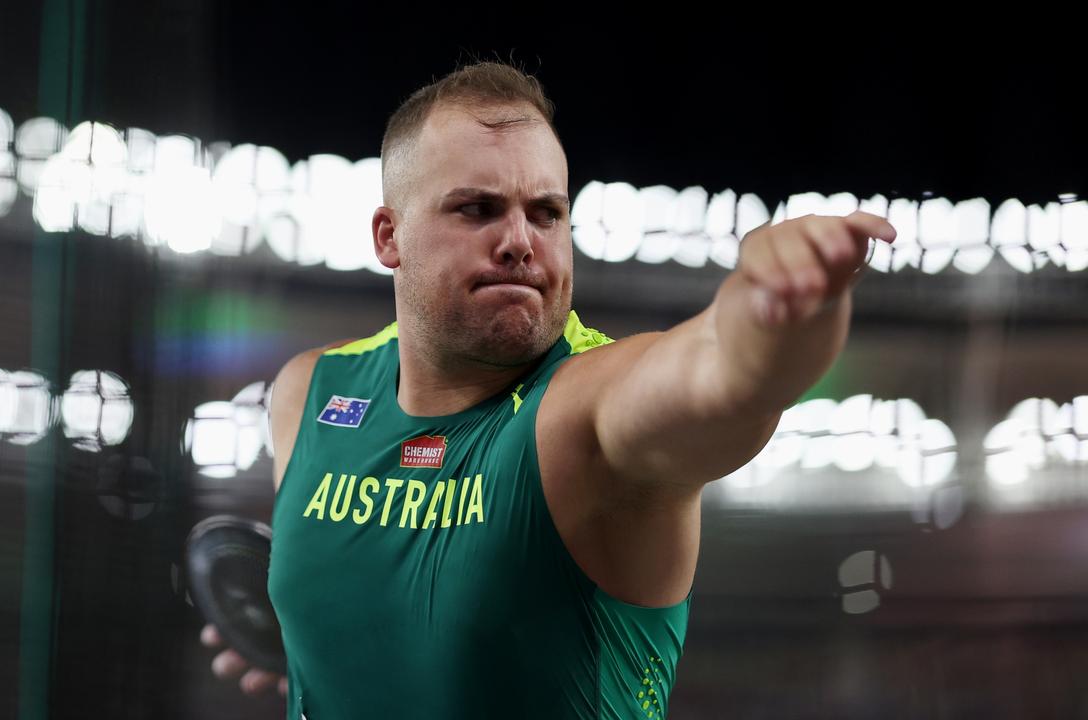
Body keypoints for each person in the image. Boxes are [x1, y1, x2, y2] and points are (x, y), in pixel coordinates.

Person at [201, 60, 896, 718]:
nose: (519, 241)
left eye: (546, 212)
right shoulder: (311, 394)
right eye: (476, 209)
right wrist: (323, 655)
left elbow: (721, 377)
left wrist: (777, 307)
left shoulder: (583, 409)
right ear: (390, 236)